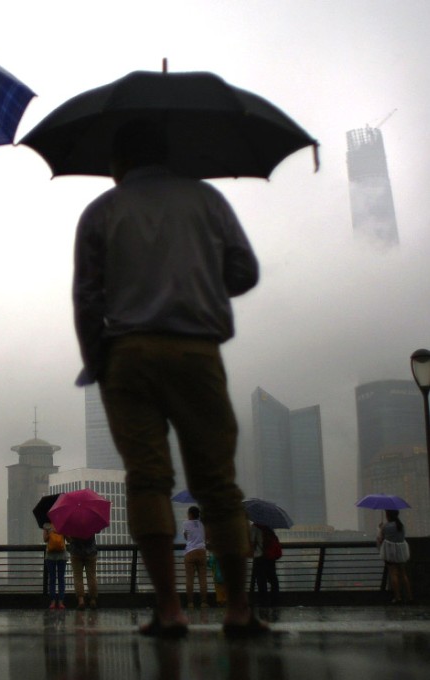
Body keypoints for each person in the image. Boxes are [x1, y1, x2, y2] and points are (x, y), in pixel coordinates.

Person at [72, 119, 266, 638]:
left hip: (127, 355)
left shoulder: (100, 211)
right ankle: (240, 610)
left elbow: (87, 296)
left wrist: (97, 360)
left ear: (118, 163)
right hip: (197, 352)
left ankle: (169, 610)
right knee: (218, 483)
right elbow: (245, 271)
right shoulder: (206, 201)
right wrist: (201, 276)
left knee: (147, 478)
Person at [377, 509, 412, 604]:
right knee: (403, 574)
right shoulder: (401, 526)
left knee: (393, 574)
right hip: (401, 553)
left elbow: (380, 540)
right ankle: (409, 597)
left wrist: (380, 529)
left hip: (390, 553)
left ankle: (397, 598)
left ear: (388, 515)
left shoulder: (386, 526)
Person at [182, 506, 208, 609]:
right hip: (201, 552)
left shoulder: (186, 523)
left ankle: (190, 603)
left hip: (190, 552)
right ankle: (204, 602)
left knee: (189, 579)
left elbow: (186, 537)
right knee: (203, 579)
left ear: (191, 514)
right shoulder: (202, 524)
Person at [249, 522, 280, 608]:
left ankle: (263, 601)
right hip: (270, 557)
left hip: (260, 557)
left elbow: (251, 542)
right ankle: (275, 600)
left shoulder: (254, 527)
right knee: (273, 579)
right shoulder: (269, 526)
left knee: (261, 580)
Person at [68, 533, 98, 610]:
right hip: (91, 552)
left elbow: (69, 539)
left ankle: (81, 601)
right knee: (92, 576)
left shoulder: (73, 524)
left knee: (78, 577)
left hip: (76, 553)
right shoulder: (91, 522)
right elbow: (98, 530)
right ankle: (93, 600)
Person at [43, 522, 67, 609]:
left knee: (59, 578)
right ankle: (54, 601)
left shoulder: (62, 525)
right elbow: (45, 539)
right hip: (52, 555)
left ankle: (59, 601)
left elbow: (68, 538)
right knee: (54, 578)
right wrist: (51, 533)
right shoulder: (47, 526)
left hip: (59, 555)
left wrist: (61, 532)